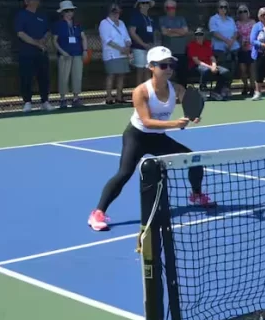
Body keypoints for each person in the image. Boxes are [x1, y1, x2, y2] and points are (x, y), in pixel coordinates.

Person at [88, 46, 213, 232]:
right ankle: (97, 213)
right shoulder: (141, 91)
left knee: (193, 160)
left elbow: (190, 102)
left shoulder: (176, 88)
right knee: (124, 174)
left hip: (158, 138)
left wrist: (192, 115)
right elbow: (146, 122)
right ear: (151, 67)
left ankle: (196, 194)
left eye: (170, 65)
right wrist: (175, 124)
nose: (168, 69)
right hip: (136, 137)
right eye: (163, 65)